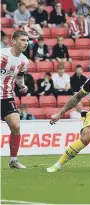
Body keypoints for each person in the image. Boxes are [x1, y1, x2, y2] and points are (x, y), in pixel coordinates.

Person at [0, 30, 30, 169]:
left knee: (16, 126)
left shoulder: (24, 61)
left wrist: (22, 86)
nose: (26, 43)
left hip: (7, 96)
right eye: (23, 40)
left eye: (27, 40)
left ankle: (13, 160)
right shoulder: (1, 54)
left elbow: (19, 77)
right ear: (13, 41)